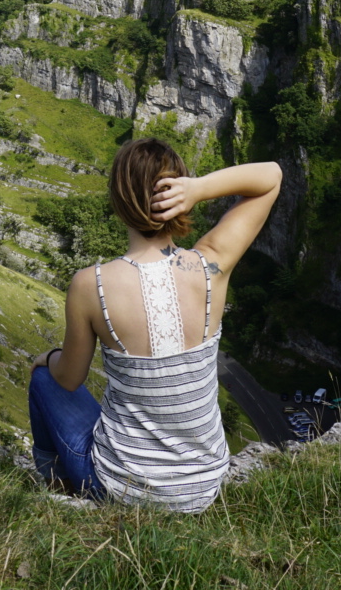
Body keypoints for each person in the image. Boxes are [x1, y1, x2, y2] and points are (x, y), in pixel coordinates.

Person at [28, 137, 282, 513]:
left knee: (44, 380)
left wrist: (47, 358)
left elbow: (69, 378)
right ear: (175, 193)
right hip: (204, 486)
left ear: (119, 201)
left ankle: (56, 490)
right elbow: (271, 176)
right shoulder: (211, 266)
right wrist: (198, 188)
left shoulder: (90, 285)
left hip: (122, 490)